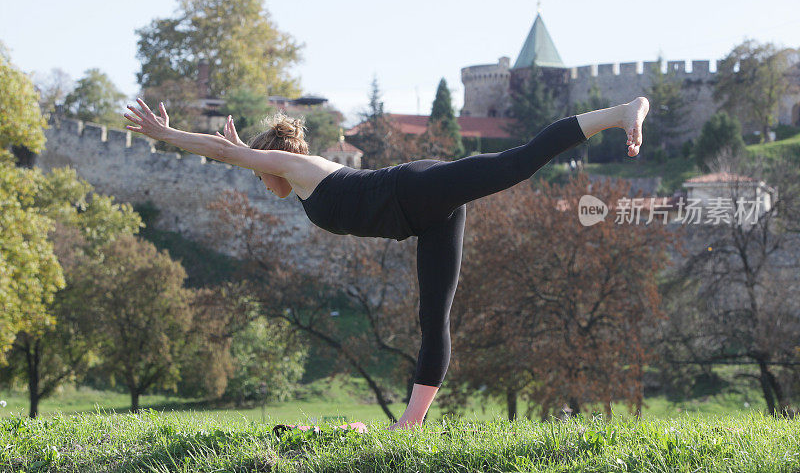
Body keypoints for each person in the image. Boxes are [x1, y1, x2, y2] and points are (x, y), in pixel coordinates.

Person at [124, 96, 649, 430]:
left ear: (273, 162)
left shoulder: (294, 166)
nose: (262, 182)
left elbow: (228, 155)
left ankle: (622, 112)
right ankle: (411, 425)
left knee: (518, 162)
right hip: (425, 216)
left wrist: (166, 136)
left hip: (416, 189)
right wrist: (244, 151)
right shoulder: (293, 170)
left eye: (260, 171)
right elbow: (239, 156)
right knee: (433, 317)